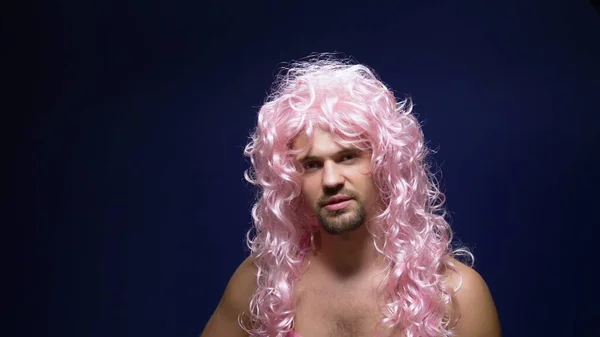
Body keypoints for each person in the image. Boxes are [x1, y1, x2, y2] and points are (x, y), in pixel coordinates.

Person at [200, 54, 501, 337]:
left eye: (348, 157)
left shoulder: (457, 294)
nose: (331, 180)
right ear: (290, 179)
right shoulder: (262, 284)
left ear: (385, 162)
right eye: (312, 164)